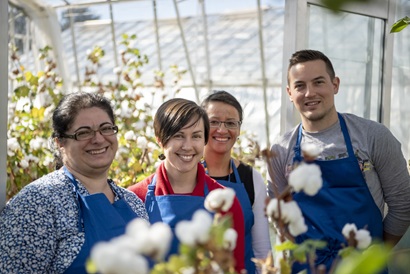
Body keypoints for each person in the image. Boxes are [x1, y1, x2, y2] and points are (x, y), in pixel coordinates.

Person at [267, 49, 410, 272]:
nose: (309, 93)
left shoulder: (372, 137)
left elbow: (403, 204)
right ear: (289, 93)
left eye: (318, 82)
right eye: (300, 86)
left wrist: (374, 254)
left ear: (335, 85)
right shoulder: (281, 149)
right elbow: (278, 212)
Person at [0, 92, 148, 273]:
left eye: (106, 128)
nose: (99, 139)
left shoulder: (132, 202)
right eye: (83, 133)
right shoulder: (36, 202)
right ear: (59, 142)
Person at [128, 98, 246, 272]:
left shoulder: (224, 201)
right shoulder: (135, 198)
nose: (188, 146)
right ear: (160, 139)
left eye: (196, 136)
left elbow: (234, 268)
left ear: (205, 140)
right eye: (178, 135)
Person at [200, 90, 272, 274]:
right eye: (214, 122)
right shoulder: (187, 174)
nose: (222, 130)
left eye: (231, 123)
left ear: (239, 130)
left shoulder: (251, 179)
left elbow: (262, 248)